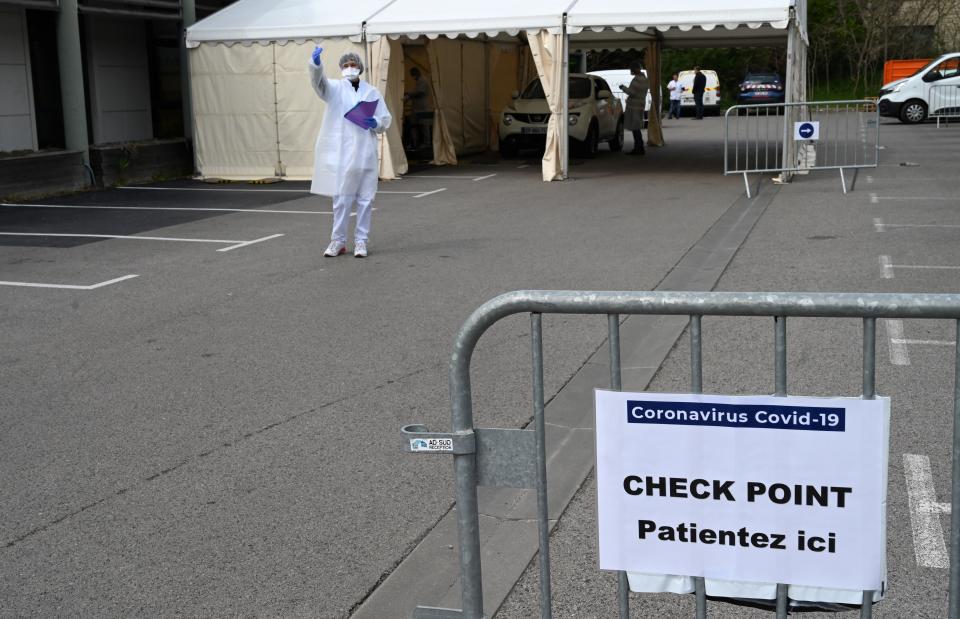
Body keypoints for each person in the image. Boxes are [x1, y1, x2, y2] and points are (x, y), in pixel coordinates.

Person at [308, 47, 391, 258]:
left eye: (353, 64)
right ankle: (338, 241)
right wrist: (315, 65)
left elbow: (385, 119)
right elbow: (319, 84)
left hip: (365, 152)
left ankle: (361, 241)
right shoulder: (334, 88)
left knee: (365, 199)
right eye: (345, 65)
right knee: (342, 199)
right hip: (342, 152)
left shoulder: (372, 92)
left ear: (360, 68)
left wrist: (376, 122)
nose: (350, 67)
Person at [620, 61, 649, 155]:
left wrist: (623, 88)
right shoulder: (644, 79)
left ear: (636, 69)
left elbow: (632, 92)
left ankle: (638, 148)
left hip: (634, 106)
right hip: (640, 104)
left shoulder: (637, 79)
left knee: (635, 127)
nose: (631, 71)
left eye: (632, 69)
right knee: (636, 127)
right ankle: (639, 147)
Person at [403, 67, 433, 150]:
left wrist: (408, 93)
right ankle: (414, 143)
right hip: (416, 107)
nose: (413, 77)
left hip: (422, 107)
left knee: (424, 126)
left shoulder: (423, 81)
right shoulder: (419, 81)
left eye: (413, 75)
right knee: (414, 125)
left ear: (416, 74)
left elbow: (419, 92)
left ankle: (427, 143)